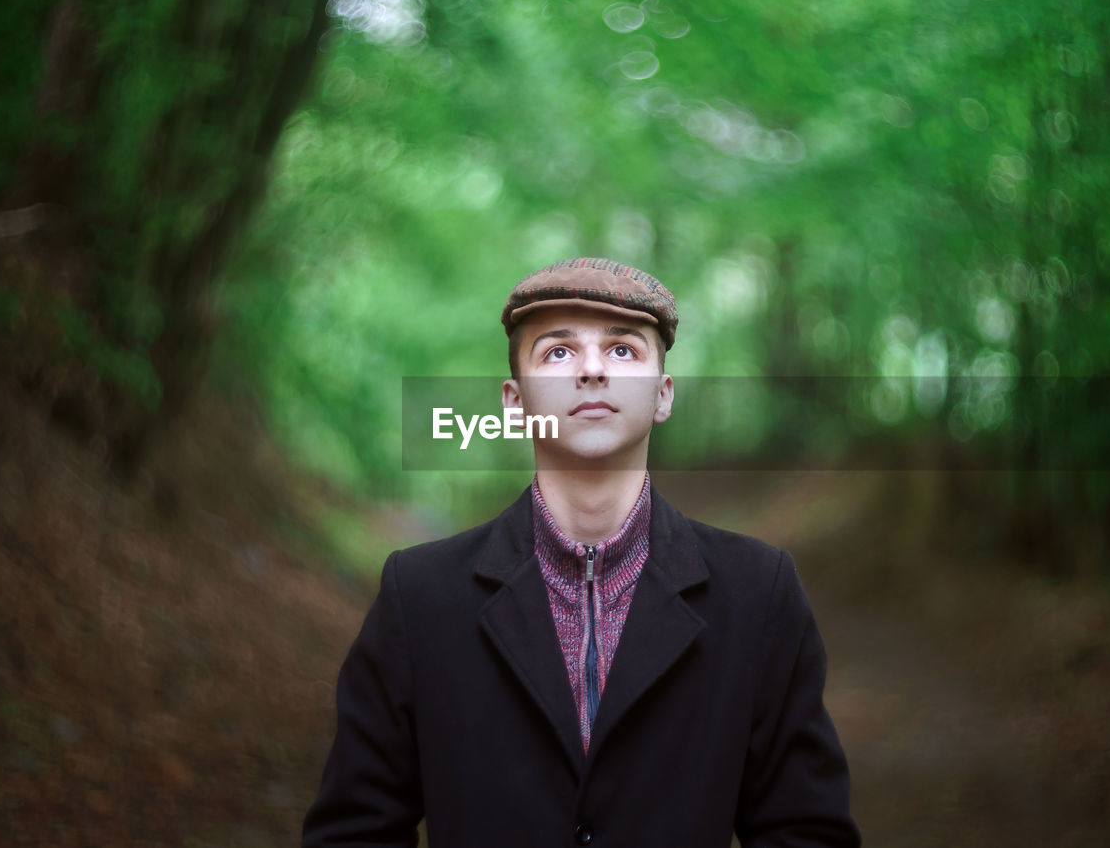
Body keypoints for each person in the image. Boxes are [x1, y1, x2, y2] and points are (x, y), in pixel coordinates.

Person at [302, 257, 861, 847]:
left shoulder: (758, 592)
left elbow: (806, 832)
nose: (593, 369)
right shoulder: (419, 595)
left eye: (623, 350)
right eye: (558, 352)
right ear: (514, 403)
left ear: (663, 395)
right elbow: (354, 831)